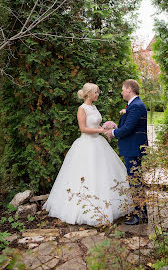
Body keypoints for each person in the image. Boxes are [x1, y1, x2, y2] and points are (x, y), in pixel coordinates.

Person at [43, 83, 131, 226]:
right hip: (86, 144)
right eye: (96, 92)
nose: (97, 94)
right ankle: (84, 211)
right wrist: (101, 131)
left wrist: (105, 127)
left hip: (99, 143)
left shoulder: (94, 107)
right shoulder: (82, 109)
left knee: (103, 174)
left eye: (97, 92)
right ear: (89, 94)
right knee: (85, 173)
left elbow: (95, 125)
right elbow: (83, 129)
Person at [105, 79, 148, 225]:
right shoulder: (133, 106)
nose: (122, 92)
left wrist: (113, 132)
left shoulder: (136, 106)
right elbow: (130, 125)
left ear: (130, 89)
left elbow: (128, 129)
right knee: (135, 180)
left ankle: (140, 215)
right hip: (132, 148)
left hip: (133, 149)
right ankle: (140, 212)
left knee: (135, 181)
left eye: (123, 89)